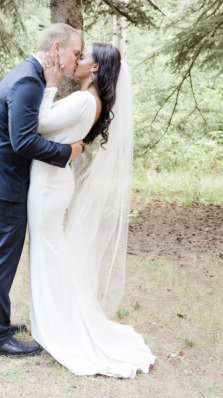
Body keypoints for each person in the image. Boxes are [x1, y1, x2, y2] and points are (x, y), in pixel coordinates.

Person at [27, 42, 156, 377]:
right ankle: (54, 320)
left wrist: (50, 84)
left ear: (95, 69)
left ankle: (59, 326)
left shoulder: (86, 99)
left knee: (49, 254)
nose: (79, 60)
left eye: (84, 58)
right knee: (51, 254)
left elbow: (40, 124)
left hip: (49, 185)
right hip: (53, 180)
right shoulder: (90, 100)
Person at [0, 23, 85, 357]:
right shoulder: (29, 81)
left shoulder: (28, 74)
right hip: (2, 185)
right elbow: (23, 142)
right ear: (57, 49)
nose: (76, 59)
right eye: (75, 52)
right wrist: (67, 152)